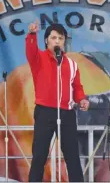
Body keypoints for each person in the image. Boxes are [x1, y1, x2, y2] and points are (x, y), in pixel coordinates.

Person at [26, 21, 90, 182]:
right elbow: (30, 50)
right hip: (44, 112)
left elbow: (77, 87)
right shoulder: (38, 58)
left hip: (67, 113)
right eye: (53, 38)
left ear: (64, 42)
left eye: (60, 38)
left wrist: (81, 99)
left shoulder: (72, 64)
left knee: (72, 156)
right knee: (39, 155)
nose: (57, 41)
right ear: (46, 40)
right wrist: (32, 34)